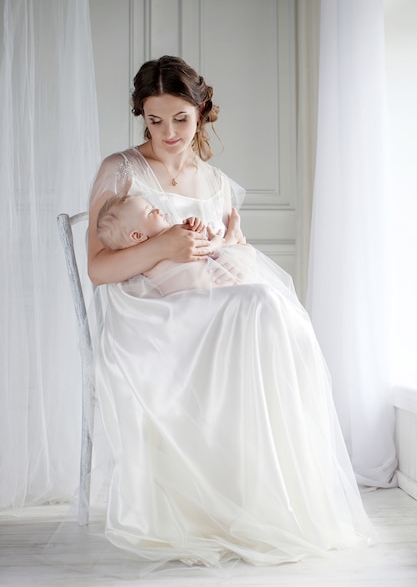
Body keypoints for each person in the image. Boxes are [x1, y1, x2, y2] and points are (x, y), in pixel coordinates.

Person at [88, 55, 373, 570]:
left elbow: (229, 254)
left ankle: (262, 498)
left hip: (210, 302)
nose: (168, 132)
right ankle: (225, 501)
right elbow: (99, 268)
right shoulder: (121, 170)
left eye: (180, 118)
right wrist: (163, 249)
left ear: (201, 111)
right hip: (151, 315)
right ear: (141, 116)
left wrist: (233, 244)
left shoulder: (215, 182)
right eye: (154, 120)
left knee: (277, 313)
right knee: (261, 308)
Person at [95, 193, 255, 295]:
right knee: (237, 257)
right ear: (137, 235)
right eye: (150, 212)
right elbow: (202, 251)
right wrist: (216, 243)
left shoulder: (156, 249)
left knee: (239, 263)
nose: (157, 210)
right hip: (208, 288)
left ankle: (230, 241)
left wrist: (194, 227)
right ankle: (230, 240)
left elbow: (196, 248)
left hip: (205, 286)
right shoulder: (159, 249)